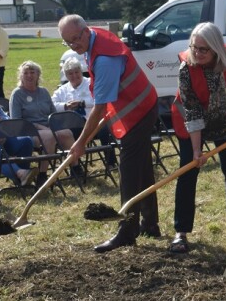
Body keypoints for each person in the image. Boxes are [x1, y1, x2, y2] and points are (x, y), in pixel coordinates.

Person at [59, 14, 161, 253]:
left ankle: (127, 231)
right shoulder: (92, 36)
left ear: (85, 31)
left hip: (140, 109)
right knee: (142, 168)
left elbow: (100, 107)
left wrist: (81, 142)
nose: (75, 45)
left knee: (128, 171)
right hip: (141, 103)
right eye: (68, 42)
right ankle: (150, 224)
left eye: (76, 39)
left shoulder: (105, 59)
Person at [168, 22, 226, 254]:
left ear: (216, 48)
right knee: (188, 172)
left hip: (225, 121)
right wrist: (197, 151)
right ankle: (181, 232)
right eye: (194, 47)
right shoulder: (186, 68)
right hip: (192, 123)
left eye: (203, 49)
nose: (197, 53)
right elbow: (192, 112)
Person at [51, 57, 118, 173]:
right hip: (74, 127)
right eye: (70, 74)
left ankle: (111, 162)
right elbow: (51, 104)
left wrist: (82, 103)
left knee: (104, 130)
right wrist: (65, 106)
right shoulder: (63, 90)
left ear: (81, 71)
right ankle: (75, 167)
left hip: (93, 123)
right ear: (66, 76)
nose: (74, 76)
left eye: (76, 72)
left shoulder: (91, 84)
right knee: (66, 135)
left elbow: (100, 100)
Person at [9, 60, 75, 177]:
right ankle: (42, 174)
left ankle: (75, 168)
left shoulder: (44, 92)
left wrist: (53, 125)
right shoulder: (17, 94)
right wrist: (39, 126)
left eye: (32, 72)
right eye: (26, 73)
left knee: (67, 133)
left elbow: (53, 114)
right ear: (21, 76)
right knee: (49, 136)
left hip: (48, 127)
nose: (29, 75)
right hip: (28, 131)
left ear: (38, 75)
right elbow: (16, 121)